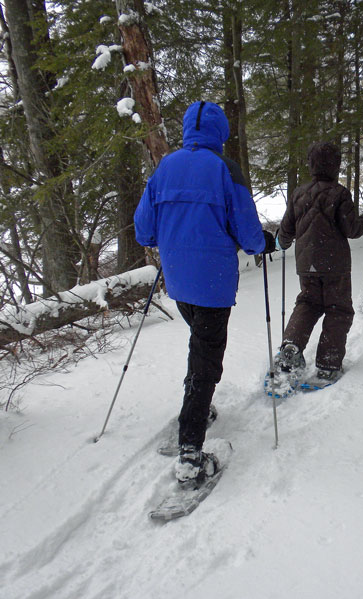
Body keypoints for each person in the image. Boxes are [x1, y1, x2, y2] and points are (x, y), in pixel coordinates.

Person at [134, 101, 275, 486]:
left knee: (200, 349)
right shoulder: (224, 169)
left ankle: (197, 409)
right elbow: (247, 232)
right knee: (206, 360)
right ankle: (190, 452)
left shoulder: (165, 166)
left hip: (177, 281)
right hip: (212, 282)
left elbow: (143, 229)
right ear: (220, 132)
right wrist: (262, 243)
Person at [275, 141, 363, 383]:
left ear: (311, 164)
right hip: (335, 265)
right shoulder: (340, 193)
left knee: (307, 303)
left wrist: (281, 242)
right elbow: (351, 229)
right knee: (338, 310)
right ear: (336, 165)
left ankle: (291, 346)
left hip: (306, 264)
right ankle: (328, 363)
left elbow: (286, 228)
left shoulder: (298, 194)